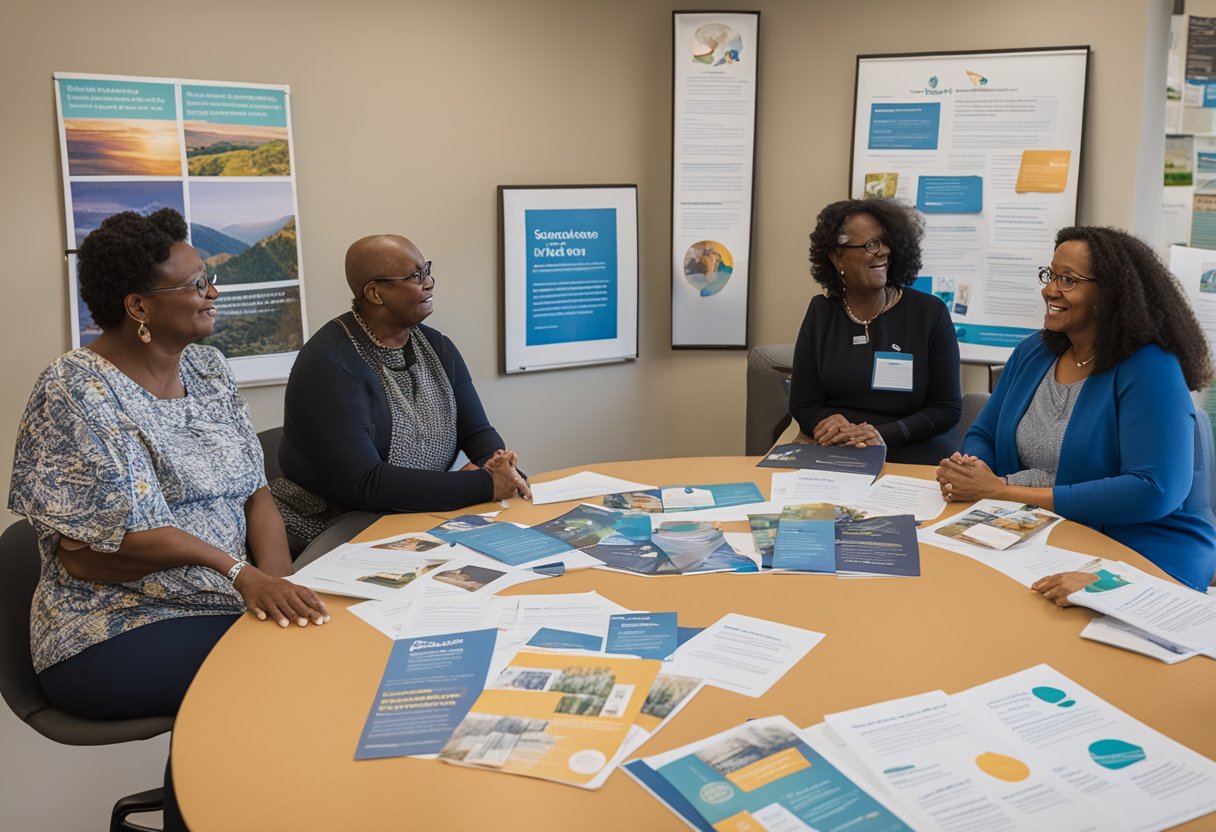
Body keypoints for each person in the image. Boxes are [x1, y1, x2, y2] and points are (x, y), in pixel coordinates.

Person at [8, 209, 328, 829]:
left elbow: (254, 491)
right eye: (195, 284)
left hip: (225, 604)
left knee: (318, 647)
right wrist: (238, 572)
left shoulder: (208, 370)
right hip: (111, 628)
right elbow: (88, 552)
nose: (213, 293)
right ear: (139, 306)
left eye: (209, 278)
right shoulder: (74, 392)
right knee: (276, 674)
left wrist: (281, 578)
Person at [937, 226, 1216, 594]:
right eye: (1050, 275)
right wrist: (974, 468)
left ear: (1111, 295)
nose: (1050, 290)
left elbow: (1153, 490)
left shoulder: (1150, 367)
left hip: (1137, 550)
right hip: (1036, 530)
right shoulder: (1033, 351)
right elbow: (984, 433)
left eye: (1068, 280)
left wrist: (1002, 491)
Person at [274, 234, 529, 547]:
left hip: (415, 514)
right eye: (415, 276)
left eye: (427, 270)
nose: (430, 282)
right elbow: (367, 484)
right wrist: (484, 485)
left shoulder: (438, 347)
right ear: (375, 293)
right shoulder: (327, 366)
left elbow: (477, 432)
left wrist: (500, 465)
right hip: (331, 526)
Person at [789, 198, 962, 463]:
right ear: (837, 258)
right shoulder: (821, 313)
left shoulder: (929, 313)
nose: (882, 252)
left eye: (884, 242)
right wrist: (824, 421)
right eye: (870, 245)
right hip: (836, 448)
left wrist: (882, 434)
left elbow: (947, 409)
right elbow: (803, 403)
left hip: (909, 447)